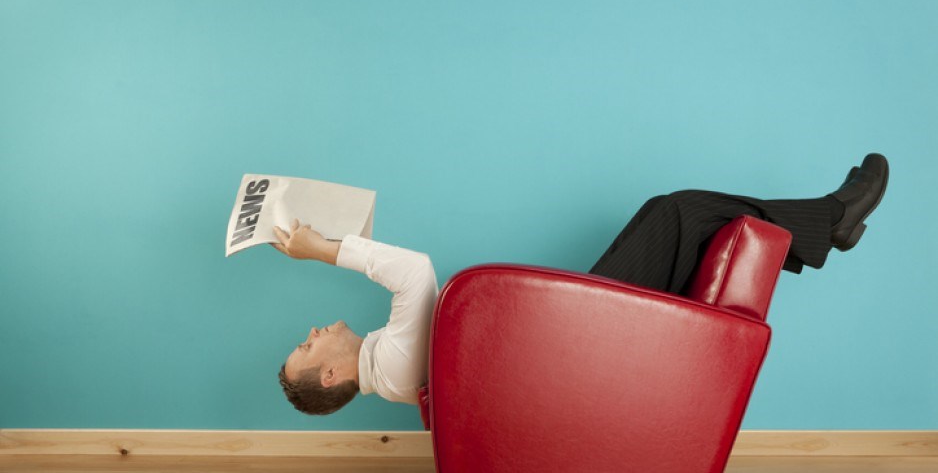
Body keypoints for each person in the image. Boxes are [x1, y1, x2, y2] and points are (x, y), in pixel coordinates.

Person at [273, 153, 889, 416]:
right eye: (306, 347)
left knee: (674, 216)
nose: (311, 332)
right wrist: (319, 252)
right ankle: (830, 221)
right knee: (675, 213)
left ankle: (828, 223)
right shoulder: (391, 362)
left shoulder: (390, 363)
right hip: (568, 347)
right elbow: (415, 271)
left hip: (560, 344)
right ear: (331, 377)